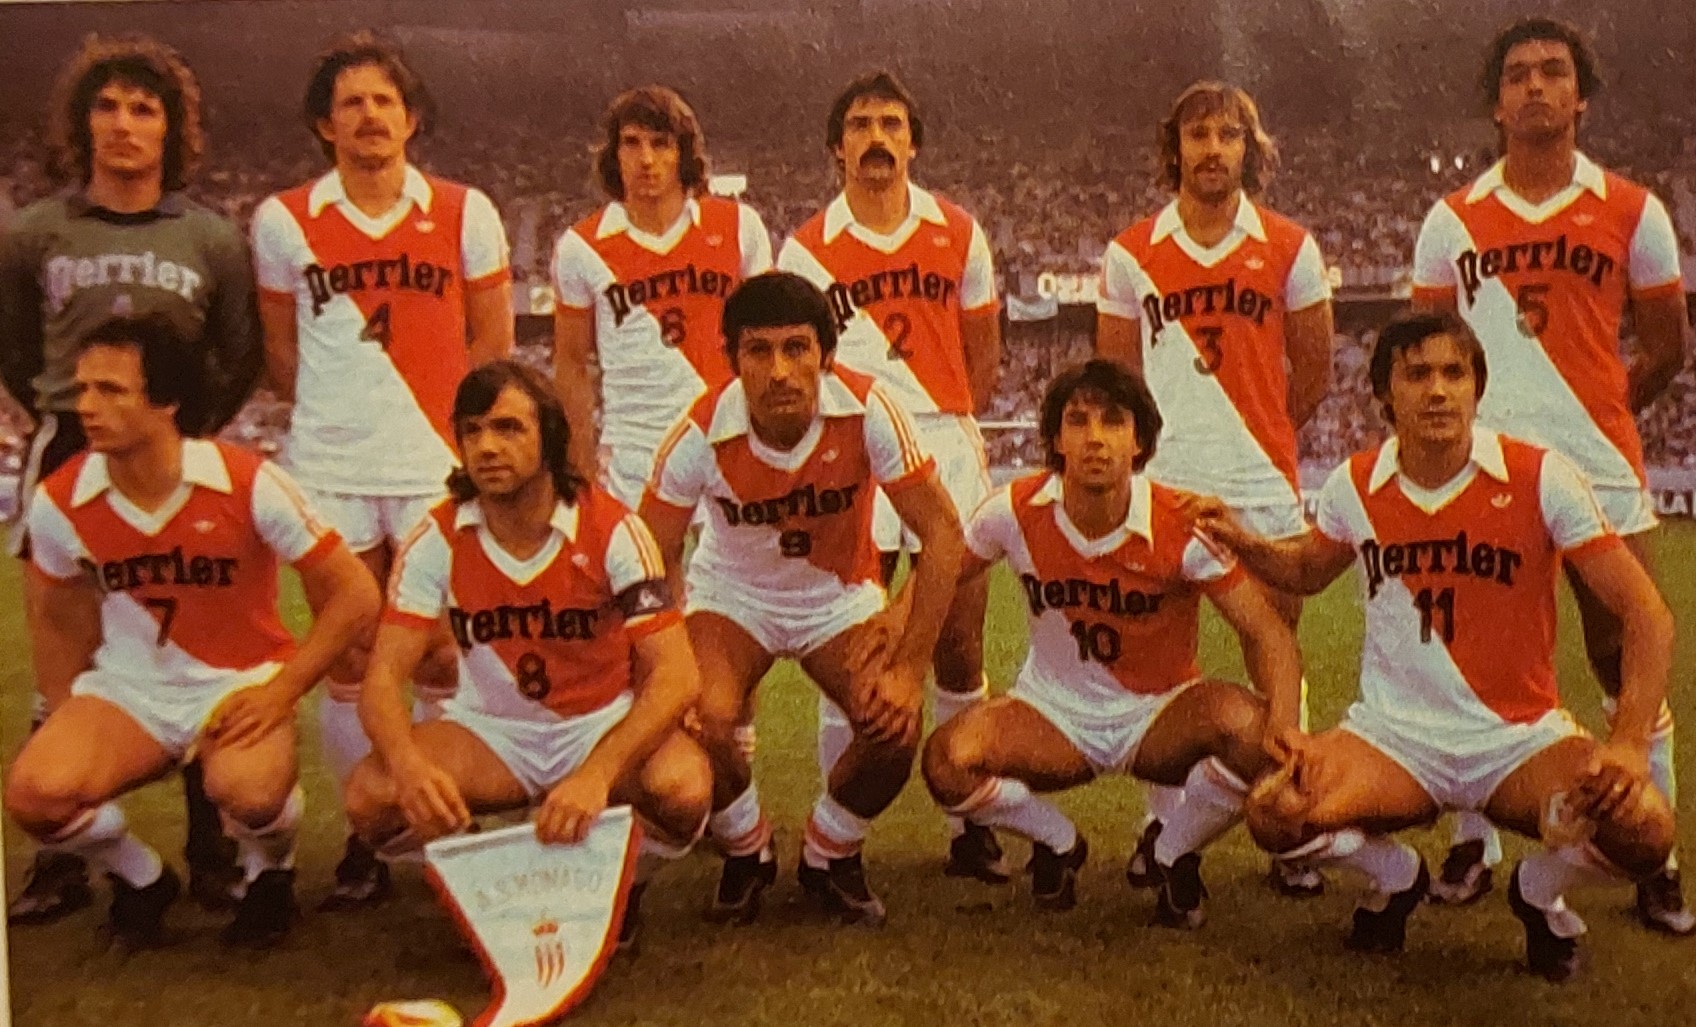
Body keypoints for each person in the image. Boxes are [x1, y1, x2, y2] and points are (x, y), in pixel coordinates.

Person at [1200, 311, 1677, 981]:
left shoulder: (1541, 476)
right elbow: (1307, 569)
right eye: (1417, 374)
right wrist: (1243, 541)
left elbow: (1646, 613)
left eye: (1455, 373)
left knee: (1646, 830)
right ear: (1384, 392)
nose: (1438, 390)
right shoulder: (1355, 482)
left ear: (1477, 387)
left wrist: (1628, 742)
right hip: (1394, 738)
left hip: (1518, 739)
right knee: (1275, 812)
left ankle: (1538, 891)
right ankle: (1397, 875)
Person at [1411, 18, 1692, 930]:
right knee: (1468, 660)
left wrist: (1595, 412)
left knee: (1622, 658)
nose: (1536, 86)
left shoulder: (1633, 209)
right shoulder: (1452, 220)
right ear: (1497, 103)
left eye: (1555, 72)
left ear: (1581, 97)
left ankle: (1655, 852)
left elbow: (1666, 347)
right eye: (1518, 74)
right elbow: (1423, 348)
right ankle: (1472, 840)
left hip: (1599, 468)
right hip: (1481, 475)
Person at [2, 315, 378, 950]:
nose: (86, 406)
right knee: (37, 795)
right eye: (82, 388)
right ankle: (142, 879)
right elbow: (57, 620)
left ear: (167, 400)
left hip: (238, 680)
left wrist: (281, 692)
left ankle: (269, 874)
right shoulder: (61, 499)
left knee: (249, 792)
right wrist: (69, 714)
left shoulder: (246, 481)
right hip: (131, 690)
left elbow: (356, 594)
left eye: (110, 390)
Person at [0, 32, 261, 926]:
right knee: (63, 659)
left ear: (170, 129)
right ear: (81, 123)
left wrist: (180, 430)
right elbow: (15, 348)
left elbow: (237, 355)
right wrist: (71, 415)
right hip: (71, 450)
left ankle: (211, 849)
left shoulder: (210, 237)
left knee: (191, 644)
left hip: (177, 451)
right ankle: (64, 861)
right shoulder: (35, 232)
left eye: (144, 108)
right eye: (106, 106)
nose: (123, 122)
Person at [251, 29, 514, 909]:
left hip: (435, 466)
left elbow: (493, 344)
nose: (369, 115)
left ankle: (445, 824)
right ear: (324, 124)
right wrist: (347, 414)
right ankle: (370, 840)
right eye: (351, 103)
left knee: (440, 648)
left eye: (384, 101)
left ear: (411, 118)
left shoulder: (465, 211)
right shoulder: (284, 219)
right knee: (352, 654)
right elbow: (282, 355)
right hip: (331, 464)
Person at [343, 360, 710, 951]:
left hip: (596, 723)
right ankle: (481, 882)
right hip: (492, 733)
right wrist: (410, 770)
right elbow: (382, 679)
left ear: (550, 438)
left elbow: (677, 674)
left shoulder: (611, 528)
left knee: (683, 788)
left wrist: (596, 775)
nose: (487, 447)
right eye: (472, 431)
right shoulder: (437, 536)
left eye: (508, 428)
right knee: (371, 796)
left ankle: (622, 887)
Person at [922, 359, 1303, 923]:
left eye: (1113, 421)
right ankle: (1058, 842)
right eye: (1077, 421)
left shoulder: (1180, 522)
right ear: (1056, 439)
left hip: (1158, 714)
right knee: (946, 762)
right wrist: (893, 639)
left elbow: (1267, 633)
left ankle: (1173, 852)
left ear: (1139, 441)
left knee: (1255, 739)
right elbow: (940, 574)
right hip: (1053, 714)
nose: (1095, 438)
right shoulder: (1014, 510)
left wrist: (1287, 733)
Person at [639, 272, 964, 926]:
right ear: (733, 359)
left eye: (797, 348)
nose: (780, 370)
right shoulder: (701, 428)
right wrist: (674, 648)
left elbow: (943, 533)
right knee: (702, 713)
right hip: (733, 596)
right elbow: (648, 552)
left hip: (837, 598)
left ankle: (829, 851)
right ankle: (745, 847)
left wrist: (907, 666)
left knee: (893, 722)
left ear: (827, 355)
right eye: (758, 351)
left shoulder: (869, 408)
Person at [1095, 81, 1334, 899]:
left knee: (1278, 656)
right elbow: (1118, 379)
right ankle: (1165, 827)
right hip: (1164, 483)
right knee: (1159, 663)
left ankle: (1289, 825)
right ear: (1175, 148)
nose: (1212, 149)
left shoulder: (1290, 246)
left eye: (1228, 135)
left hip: (1260, 482)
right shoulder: (1131, 252)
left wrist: (1254, 439)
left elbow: (1314, 372)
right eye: (1197, 134)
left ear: (1248, 149)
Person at [776, 71, 1005, 882]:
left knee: (959, 645)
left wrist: (942, 414)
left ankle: (970, 822)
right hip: (855, 450)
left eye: (892, 124)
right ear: (836, 146)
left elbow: (982, 356)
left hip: (944, 440)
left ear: (913, 142)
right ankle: (844, 839)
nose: (877, 137)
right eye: (861, 124)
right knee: (856, 649)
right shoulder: (805, 248)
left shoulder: (958, 231)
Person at [551, 85, 773, 509]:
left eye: (660, 144)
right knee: (641, 556)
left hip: (728, 439)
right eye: (631, 143)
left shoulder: (739, 226)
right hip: (634, 454)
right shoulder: (581, 247)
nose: (646, 159)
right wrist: (579, 466)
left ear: (683, 153)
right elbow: (572, 365)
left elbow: (768, 336)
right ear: (614, 154)